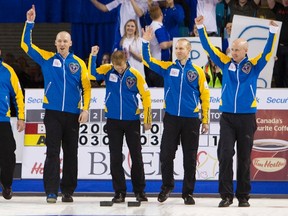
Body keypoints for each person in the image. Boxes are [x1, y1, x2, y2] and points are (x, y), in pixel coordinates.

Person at [195, 15, 278, 207]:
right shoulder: (225, 63)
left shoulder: (254, 65)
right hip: (227, 118)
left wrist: (272, 33)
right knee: (225, 155)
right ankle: (226, 195)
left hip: (247, 117)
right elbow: (208, 49)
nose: (233, 52)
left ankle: (243, 196)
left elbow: (267, 53)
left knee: (243, 157)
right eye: (232, 49)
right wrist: (201, 29)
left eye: (237, 50)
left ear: (245, 51)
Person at [21, 5, 91, 203]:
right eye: (59, 41)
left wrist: (85, 109)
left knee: (71, 153)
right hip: (52, 113)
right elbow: (26, 46)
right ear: (55, 43)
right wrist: (30, 23)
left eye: (65, 41)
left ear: (71, 43)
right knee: (52, 152)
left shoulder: (79, 63)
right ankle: (51, 191)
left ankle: (68, 190)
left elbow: (86, 88)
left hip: (72, 114)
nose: (62, 43)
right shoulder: (46, 58)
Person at [142, 26, 210, 205]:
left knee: (189, 157)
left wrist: (206, 119)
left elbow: (205, 96)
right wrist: (145, 42)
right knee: (165, 154)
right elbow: (148, 60)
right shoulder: (167, 67)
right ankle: (167, 186)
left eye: (182, 48)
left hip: (191, 120)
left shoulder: (198, 71)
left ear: (189, 51)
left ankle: (188, 193)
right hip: (171, 118)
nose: (178, 50)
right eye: (176, 48)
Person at [89, 48, 152, 203]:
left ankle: (139, 191)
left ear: (126, 61)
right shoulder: (107, 70)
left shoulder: (135, 75)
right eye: (116, 67)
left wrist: (148, 119)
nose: (119, 69)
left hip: (132, 121)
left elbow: (146, 95)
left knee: (136, 156)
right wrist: (93, 56)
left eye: (121, 66)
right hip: (113, 121)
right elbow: (91, 74)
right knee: (115, 157)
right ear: (112, 63)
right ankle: (119, 192)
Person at [0, 50, 25, 200]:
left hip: (2, 120)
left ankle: (7, 185)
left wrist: (21, 117)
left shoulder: (8, 71)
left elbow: (18, 94)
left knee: (8, 154)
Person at [145, 5, 172, 87]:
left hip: (153, 65)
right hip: (159, 66)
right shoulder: (158, 27)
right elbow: (163, 45)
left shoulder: (151, 27)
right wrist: (175, 42)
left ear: (150, 16)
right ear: (161, 14)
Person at [267, 0, 288, 87]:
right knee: (277, 72)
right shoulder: (278, 7)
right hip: (278, 46)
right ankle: (279, 92)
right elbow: (270, 2)